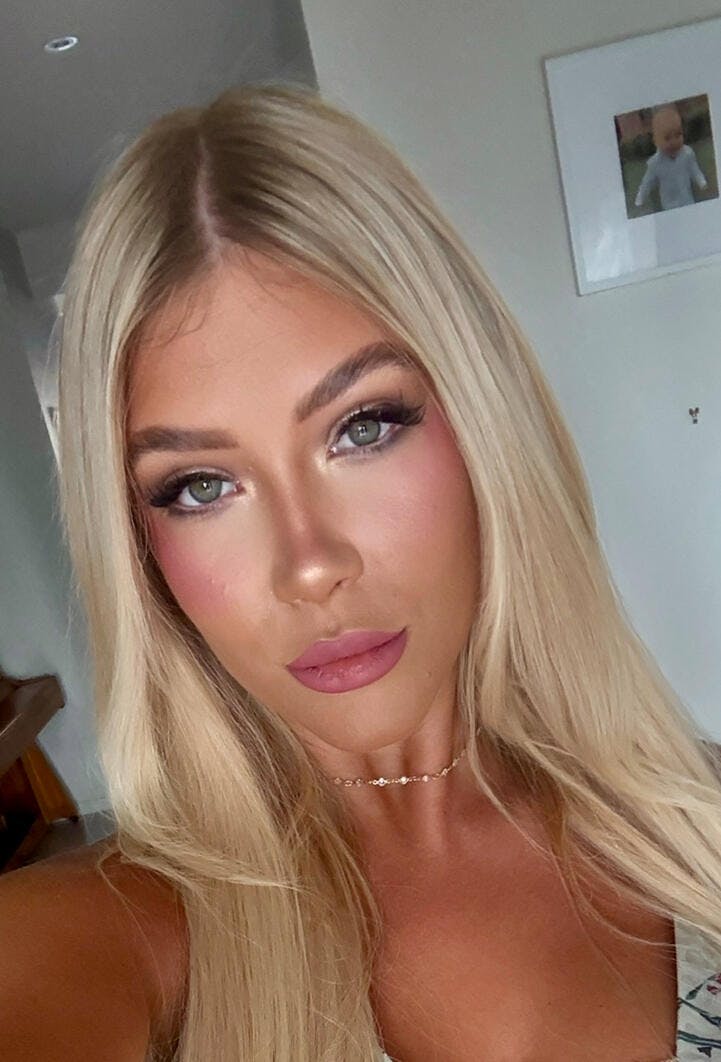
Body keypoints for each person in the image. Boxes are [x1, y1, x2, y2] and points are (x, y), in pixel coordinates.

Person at [2, 82, 721, 1062]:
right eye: (202, 487)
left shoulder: (698, 831)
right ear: (139, 546)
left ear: (482, 425)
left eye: (363, 428)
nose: (310, 566)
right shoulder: (111, 938)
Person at [634, 104, 708, 212]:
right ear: (656, 141)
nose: (674, 142)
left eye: (678, 135)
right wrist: (640, 198)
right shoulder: (655, 163)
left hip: (687, 200)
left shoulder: (687, 153)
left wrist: (702, 182)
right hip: (669, 205)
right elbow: (647, 182)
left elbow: (694, 169)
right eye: (667, 138)